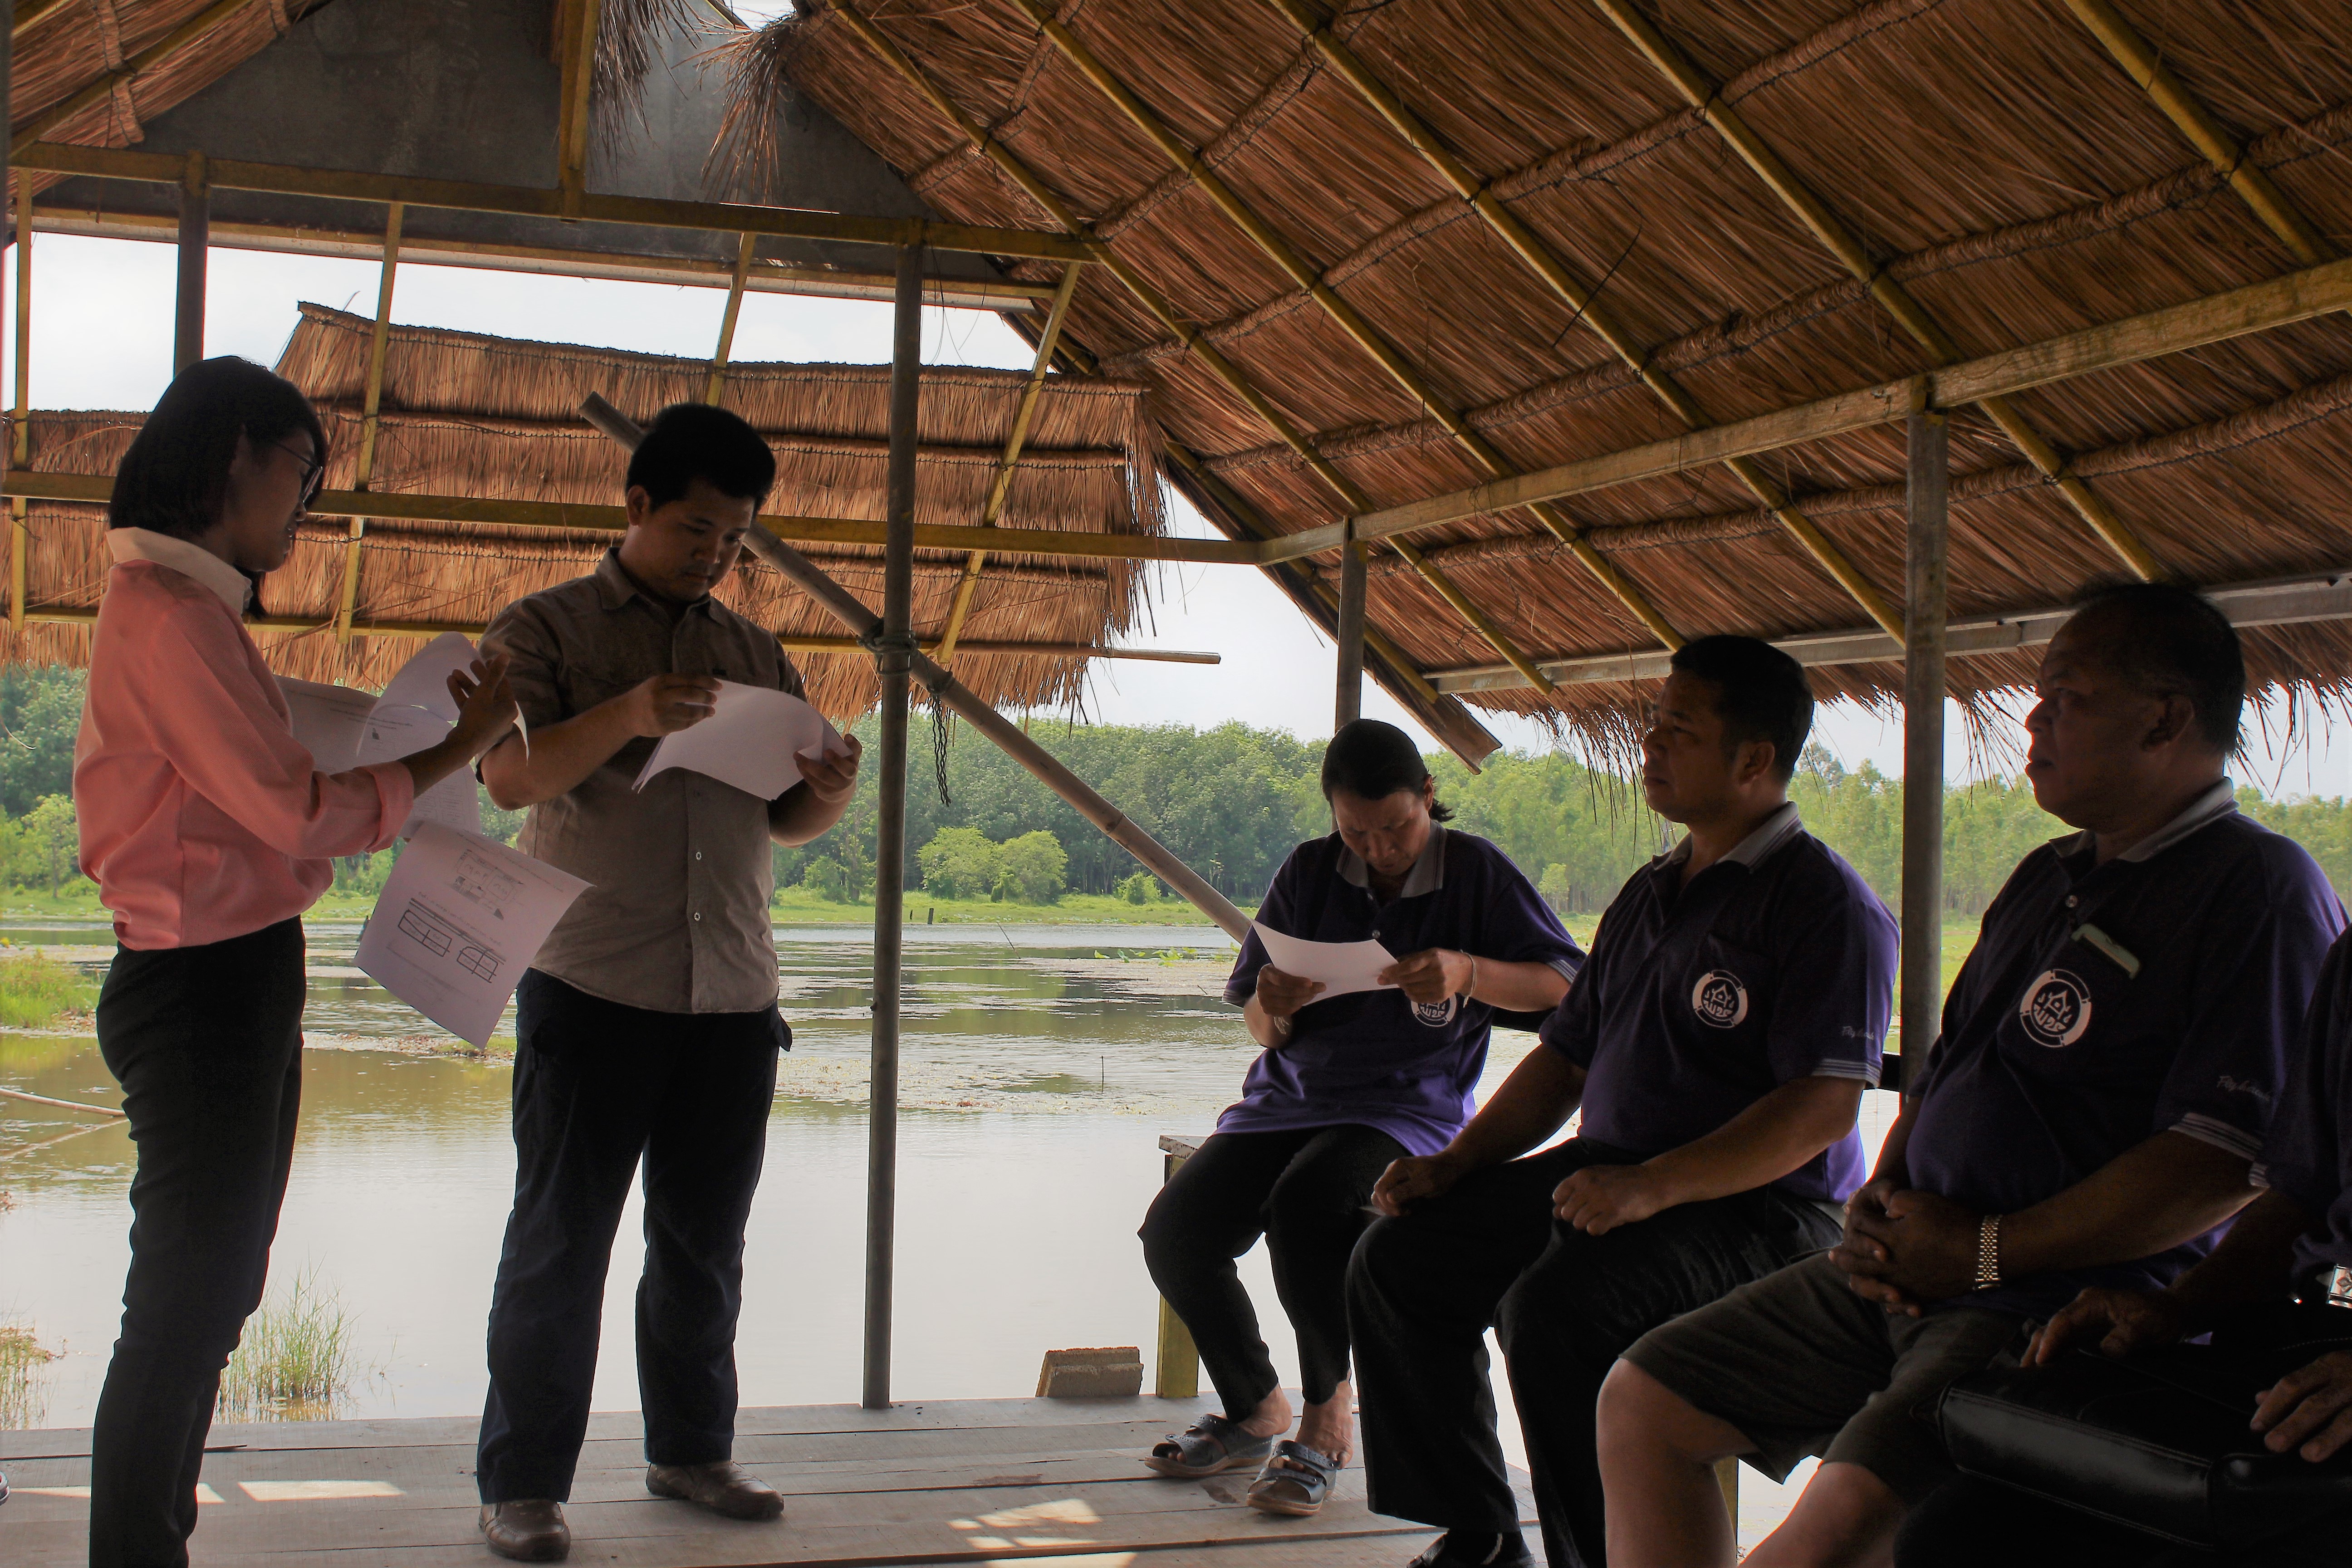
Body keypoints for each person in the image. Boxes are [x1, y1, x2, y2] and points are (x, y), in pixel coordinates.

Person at [1596, 583, 2347, 1568]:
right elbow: (1948, 1070)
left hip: (2045, 1296)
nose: (2032, 719)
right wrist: (1879, 1201)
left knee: (1829, 1536)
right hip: (1915, 1265)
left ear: (2165, 718)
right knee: (1646, 1397)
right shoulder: (2049, 876)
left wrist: (1988, 1253)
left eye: (2065, 697)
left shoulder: (2257, 891)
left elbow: (2219, 1166)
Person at [77, 358, 518, 1568]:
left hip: (234, 967)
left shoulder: (190, 612)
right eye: (300, 473)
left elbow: (261, 783)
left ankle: (151, 1543)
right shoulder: (170, 617)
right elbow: (294, 814)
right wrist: (457, 751)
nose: (305, 505)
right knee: (180, 1306)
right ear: (233, 458)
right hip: (199, 980)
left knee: (210, 1298)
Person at [1348, 634, 1896, 1568]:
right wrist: (1456, 1162)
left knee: (1560, 1312)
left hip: (1759, 1210)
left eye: (1678, 728)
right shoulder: (1650, 894)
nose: (1649, 742)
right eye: (1655, 722)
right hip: (1613, 1176)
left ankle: (1598, 1557)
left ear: (1754, 760)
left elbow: (1819, 1111)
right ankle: (1480, 1528)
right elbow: (1563, 1064)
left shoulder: (1823, 905)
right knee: (1401, 1259)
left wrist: (1655, 1187)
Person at [470, 403, 862, 1561]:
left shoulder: (757, 654)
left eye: (734, 538)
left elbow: (788, 823)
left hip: (734, 995)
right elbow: (505, 775)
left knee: (704, 1245)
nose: (714, 554)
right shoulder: (545, 627)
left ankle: (691, 1453)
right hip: (593, 985)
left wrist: (832, 786)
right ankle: (524, 1486)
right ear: (635, 506)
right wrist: (633, 710)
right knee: (560, 1240)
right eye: (696, 528)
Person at [1138, 718, 1580, 1517]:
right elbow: (1260, 1019)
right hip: (1288, 1101)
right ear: (1332, 817)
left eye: (1397, 828)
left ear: (1430, 799)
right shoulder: (1309, 871)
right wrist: (1272, 1008)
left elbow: (1563, 989)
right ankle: (1254, 1407)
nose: (1379, 849)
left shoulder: (1476, 871)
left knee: (1311, 1204)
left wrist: (1468, 971)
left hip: (1408, 1106)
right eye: (1357, 832)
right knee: (1175, 1234)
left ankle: (1326, 1418)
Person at [1891, 921, 2352, 1568]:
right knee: (1962, 1534)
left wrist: (1989, 1253)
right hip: (2302, 1335)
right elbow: (2300, 1196)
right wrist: (2178, 1308)